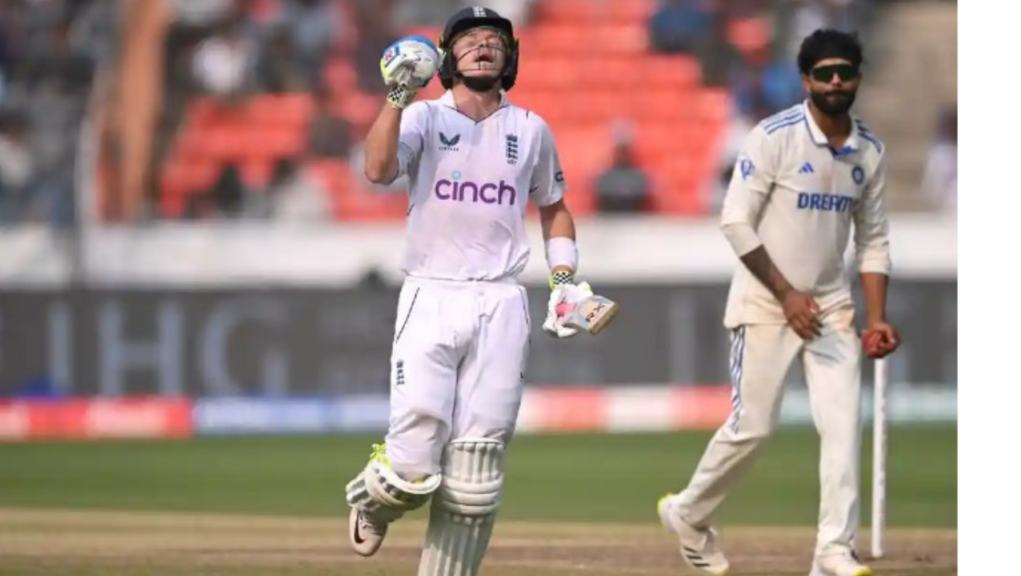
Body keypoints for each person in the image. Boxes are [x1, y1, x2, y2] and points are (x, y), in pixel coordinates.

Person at [342, 7, 616, 576]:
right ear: (448, 57)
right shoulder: (420, 117)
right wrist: (395, 97)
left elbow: (555, 207)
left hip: (501, 300)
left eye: (494, 39)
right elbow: (375, 169)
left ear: (510, 56)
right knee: (410, 469)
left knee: (477, 476)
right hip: (432, 292)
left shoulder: (532, 129)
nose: (483, 46)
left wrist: (564, 282)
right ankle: (372, 502)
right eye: (469, 40)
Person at [657, 29, 900, 576]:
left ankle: (833, 551)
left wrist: (877, 315)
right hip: (766, 303)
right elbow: (734, 221)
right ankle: (691, 515)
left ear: (858, 77)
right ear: (807, 79)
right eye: (825, 72)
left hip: (831, 306)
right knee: (754, 427)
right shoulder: (774, 137)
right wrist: (786, 293)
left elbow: (874, 240)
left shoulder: (870, 153)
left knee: (842, 428)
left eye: (845, 71)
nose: (835, 80)